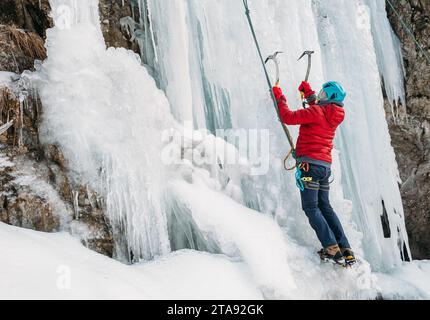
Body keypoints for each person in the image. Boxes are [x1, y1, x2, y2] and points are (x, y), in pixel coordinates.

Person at [273, 81, 356, 266]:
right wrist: (309, 93)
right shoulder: (333, 114)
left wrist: (279, 97)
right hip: (324, 167)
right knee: (325, 207)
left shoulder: (317, 112)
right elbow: (318, 109)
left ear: (329, 98)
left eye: (323, 95)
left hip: (309, 166)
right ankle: (345, 248)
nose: (320, 97)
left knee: (311, 208)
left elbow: (287, 117)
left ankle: (331, 247)